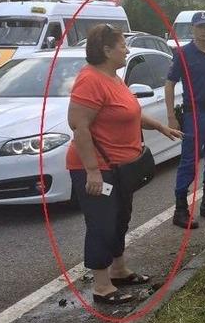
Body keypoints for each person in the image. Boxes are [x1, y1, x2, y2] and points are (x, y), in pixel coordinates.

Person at [67, 24, 183, 305]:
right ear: (106, 50)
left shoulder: (113, 78)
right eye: (122, 46)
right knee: (102, 224)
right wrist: (93, 171)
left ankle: (119, 270)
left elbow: (128, 112)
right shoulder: (90, 80)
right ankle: (102, 286)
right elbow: (79, 126)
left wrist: (158, 126)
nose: (127, 50)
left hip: (121, 167)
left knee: (120, 218)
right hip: (97, 168)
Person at [165, 11, 205, 229]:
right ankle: (180, 209)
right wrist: (171, 116)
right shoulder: (183, 53)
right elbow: (170, 84)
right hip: (194, 114)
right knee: (189, 161)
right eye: (200, 27)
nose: (204, 31)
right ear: (193, 29)